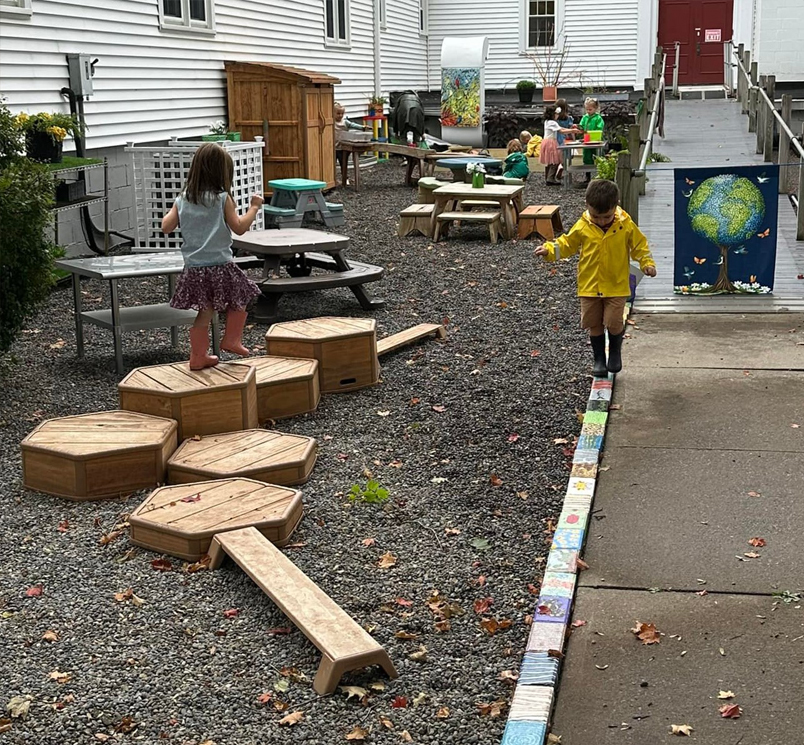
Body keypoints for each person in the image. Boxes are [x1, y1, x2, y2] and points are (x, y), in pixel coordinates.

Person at [533, 179, 657, 376]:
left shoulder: (625, 224)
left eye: (606, 217)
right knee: (594, 323)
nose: (600, 221)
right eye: (596, 216)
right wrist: (549, 249)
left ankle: (615, 351)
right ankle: (599, 358)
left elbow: (639, 245)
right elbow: (567, 244)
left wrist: (647, 263)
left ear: (616, 206)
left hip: (616, 284)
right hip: (589, 285)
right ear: (587, 206)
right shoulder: (583, 225)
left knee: (614, 321)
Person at [161, 143, 263, 370]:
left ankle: (198, 356)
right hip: (220, 264)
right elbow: (239, 228)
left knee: (204, 312)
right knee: (242, 296)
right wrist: (254, 208)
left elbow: (166, 227)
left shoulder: (183, 199)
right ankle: (231, 340)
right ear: (221, 173)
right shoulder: (222, 198)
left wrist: (180, 210)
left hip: (194, 268)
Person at [540, 104, 580, 185]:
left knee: (551, 161)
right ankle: (550, 178)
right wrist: (572, 131)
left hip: (547, 141)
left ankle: (549, 177)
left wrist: (571, 130)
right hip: (551, 142)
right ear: (553, 114)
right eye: (557, 114)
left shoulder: (547, 122)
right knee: (555, 160)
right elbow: (561, 131)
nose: (558, 115)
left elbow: (560, 128)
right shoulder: (552, 122)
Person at [578, 97, 605, 177]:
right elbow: (581, 126)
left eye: (590, 109)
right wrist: (578, 128)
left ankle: (600, 174)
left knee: (598, 156)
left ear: (595, 108)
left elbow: (600, 128)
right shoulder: (585, 117)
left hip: (596, 141)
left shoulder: (598, 118)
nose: (588, 111)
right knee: (587, 158)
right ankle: (587, 176)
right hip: (586, 141)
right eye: (587, 109)